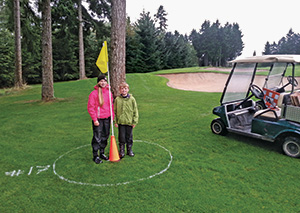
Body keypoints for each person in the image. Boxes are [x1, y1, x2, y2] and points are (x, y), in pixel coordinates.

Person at [87, 75, 114, 164]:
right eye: (101, 81)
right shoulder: (94, 94)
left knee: (105, 136)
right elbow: (91, 107)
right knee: (97, 138)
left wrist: (112, 117)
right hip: (98, 119)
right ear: (98, 82)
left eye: (104, 81)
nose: (103, 83)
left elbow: (111, 106)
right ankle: (95, 156)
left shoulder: (109, 93)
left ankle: (102, 153)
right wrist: (95, 119)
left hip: (107, 118)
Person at [114, 82, 139, 158]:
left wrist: (134, 121)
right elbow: (114, 111)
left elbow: (135, 110)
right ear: (120, 90)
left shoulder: (132, 99)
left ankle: (129, 150)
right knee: (121, 137)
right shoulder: (117, 99)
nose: (124, 90)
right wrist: (115, 121)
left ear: (128, 89)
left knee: (129, 137)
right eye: (122, 88)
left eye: (125, 88)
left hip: (129, 122)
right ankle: (121, 151)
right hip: (121, 122)